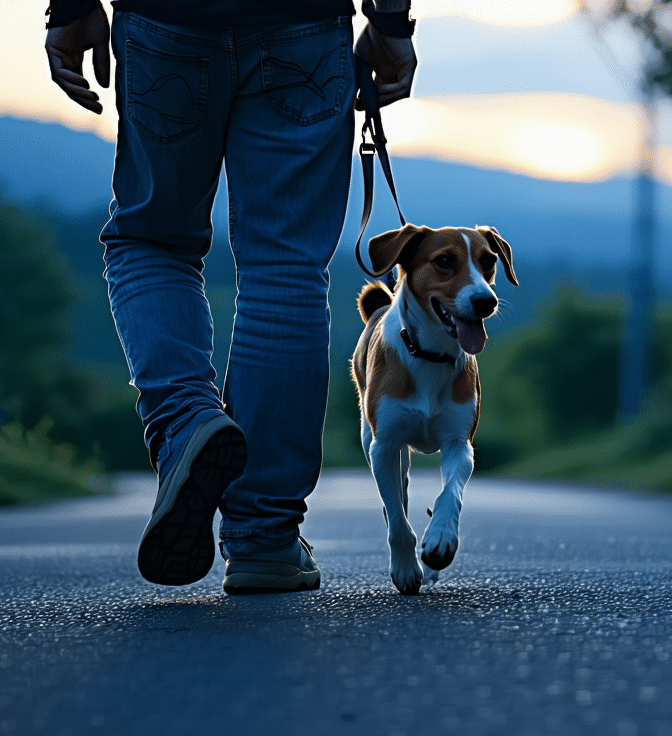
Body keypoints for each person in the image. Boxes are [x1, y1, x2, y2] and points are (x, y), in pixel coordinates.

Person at [44, 0, 416, 594]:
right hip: (305, 28)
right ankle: (264, 538)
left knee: (153, 239)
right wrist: (391, 22)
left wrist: (70, 9)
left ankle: (186, 420)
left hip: (167, 21)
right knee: (286, 268)